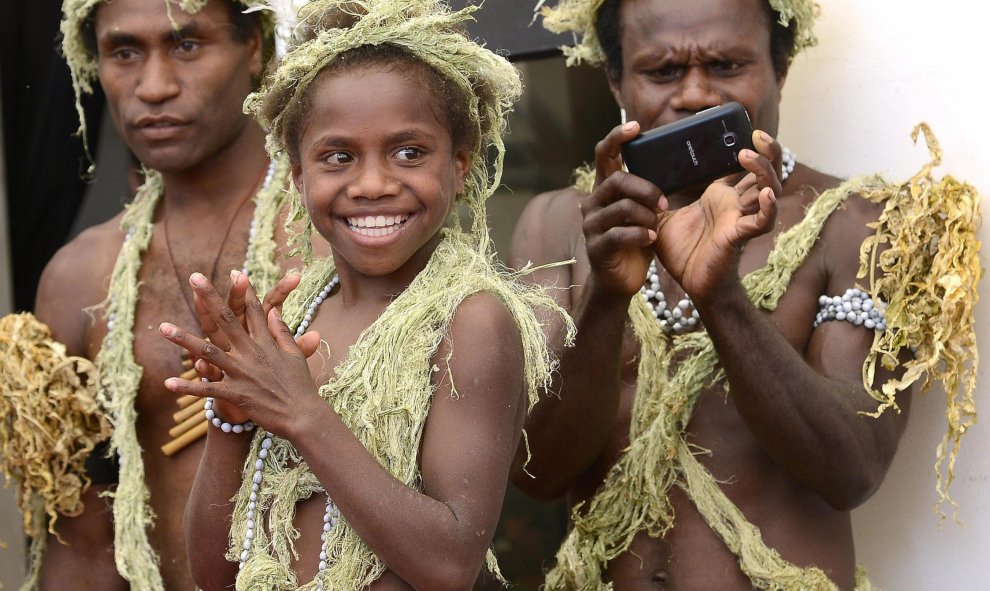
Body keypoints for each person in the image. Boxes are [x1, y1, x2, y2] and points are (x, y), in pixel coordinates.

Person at [510, 0, 980, 588]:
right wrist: (605, 298)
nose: (696, 95)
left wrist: (723, 300)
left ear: (779, 70)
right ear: (615, 79)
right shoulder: (558, 225)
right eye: (662, 71)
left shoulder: (863, 225)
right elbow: (537, 474)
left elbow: (853, 469)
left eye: (728, 66)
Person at [157, 0, 570, 588]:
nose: (373, 184)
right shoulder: (291, 323)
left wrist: (302, 415)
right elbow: (213, 572)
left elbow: (450, 565)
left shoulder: (469, 319)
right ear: (299, 177)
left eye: (409, 152)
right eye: (338, 157)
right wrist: (230, 419)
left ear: (459, 167)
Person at [0, 0, 301, 589]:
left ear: (256, 47)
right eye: (124, 52)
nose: (154, 86)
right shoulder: (79, 279)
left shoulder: (333, 236)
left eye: (187, 44)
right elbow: (82, 546)